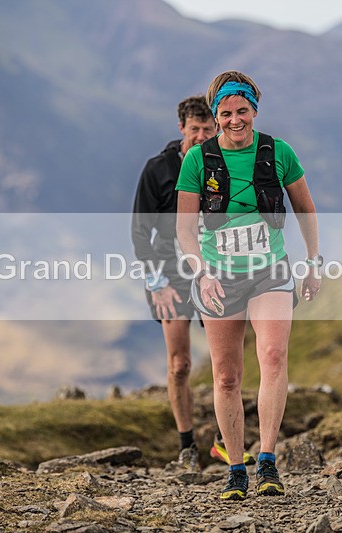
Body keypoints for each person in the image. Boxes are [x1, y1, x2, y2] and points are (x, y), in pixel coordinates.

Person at [175, 71, 321, 500]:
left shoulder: (280, 152)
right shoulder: (197, 160)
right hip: (218, 276)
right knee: (226, 377)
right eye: (225, 113)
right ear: (216, 115)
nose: (234, 120)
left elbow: (305, 211)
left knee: (273, 355)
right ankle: (235, 468)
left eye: (242, 111)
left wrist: (313, 263)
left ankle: (268, 461)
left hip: (270, 270)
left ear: (254, 109)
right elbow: (185, 230)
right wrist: (200, 272)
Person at [132, 96, 254, 472]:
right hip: (170, 275)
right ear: (182, 129)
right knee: (181, 363)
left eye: (208, 129)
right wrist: (158, 284)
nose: (202, 136)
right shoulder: (158, 170)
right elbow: (140, 232)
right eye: (195, 129)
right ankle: (187, 446)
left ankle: (223, 441)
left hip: (217, 270)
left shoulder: (222, 163)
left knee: (227, 363)